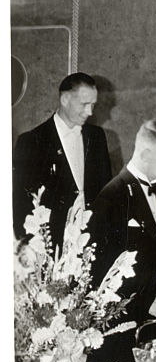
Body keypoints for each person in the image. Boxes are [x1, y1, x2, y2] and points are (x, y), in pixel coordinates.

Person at [88, 119, 156, 362]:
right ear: (145, 153)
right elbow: (100, 272)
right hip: (124, 335)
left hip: (153, 328)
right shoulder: (111, 197)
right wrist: (146, 301)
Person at [13, 72, 112, 245]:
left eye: (93, 105)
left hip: (92, 240)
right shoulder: (32, 141)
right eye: (84, 104)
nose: (89, 112)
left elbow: (106, 190)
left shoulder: (96, 137)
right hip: (52, 243)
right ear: (65, 99)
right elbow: (21, 204)